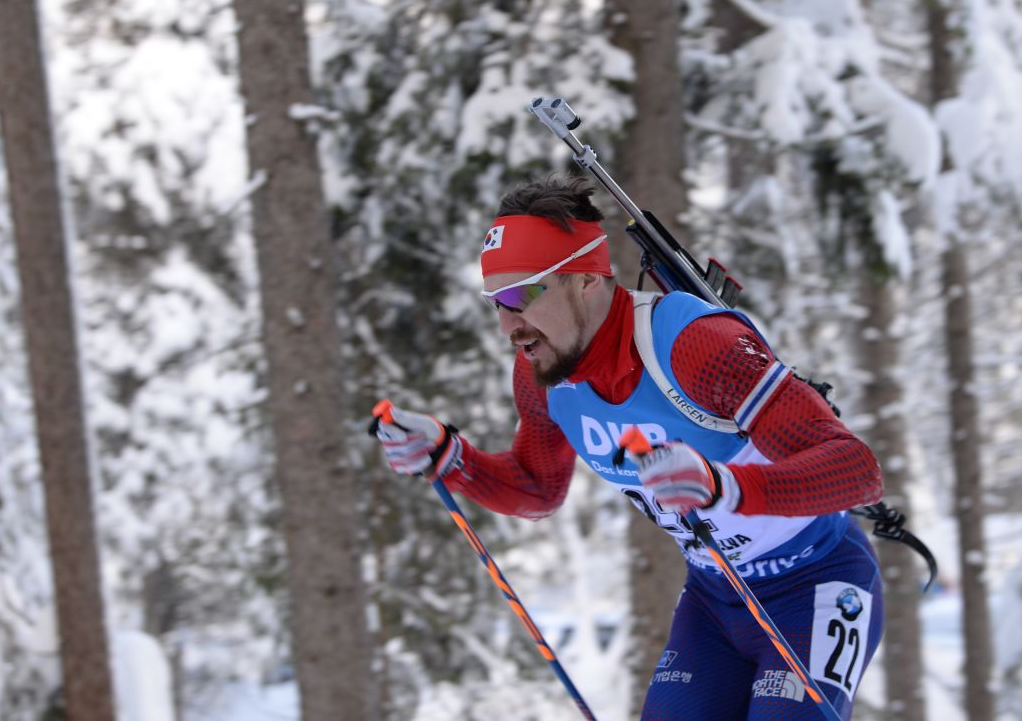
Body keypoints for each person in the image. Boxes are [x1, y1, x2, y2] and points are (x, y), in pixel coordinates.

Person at [374, 175, 885, 719]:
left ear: (588, 280)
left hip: (814, 584)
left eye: (521, 296)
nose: (507, 326)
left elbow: (857, 470)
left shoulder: (693, 344)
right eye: (495, 303)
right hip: (715, 602)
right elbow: (538, 489)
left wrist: (726, 487)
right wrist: (450, 459)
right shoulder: (543, 373)